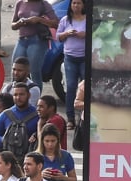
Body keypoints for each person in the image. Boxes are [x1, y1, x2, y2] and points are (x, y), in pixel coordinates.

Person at [11, 0, 57, 88]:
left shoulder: (43, 4)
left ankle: (35, 98)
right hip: (22, 40)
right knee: (15, 71)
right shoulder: (20, 3)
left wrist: (39, 20)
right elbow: (13, 25)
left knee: (34, 72)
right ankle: (15, 96)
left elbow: (55, 23)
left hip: (37, 40)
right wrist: (19, 23)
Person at [56, 0, 86, 131]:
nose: (76, 6)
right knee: (71, 86)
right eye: (74, 3)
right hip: (70, 58)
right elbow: (58, 37)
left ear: (84, 5)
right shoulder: (65, 20)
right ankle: (70, 118)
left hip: (85, 57)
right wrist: (66, 34)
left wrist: (84, 34)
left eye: (79, 3)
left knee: (85, 88)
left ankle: (85, 117)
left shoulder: (88, 19)